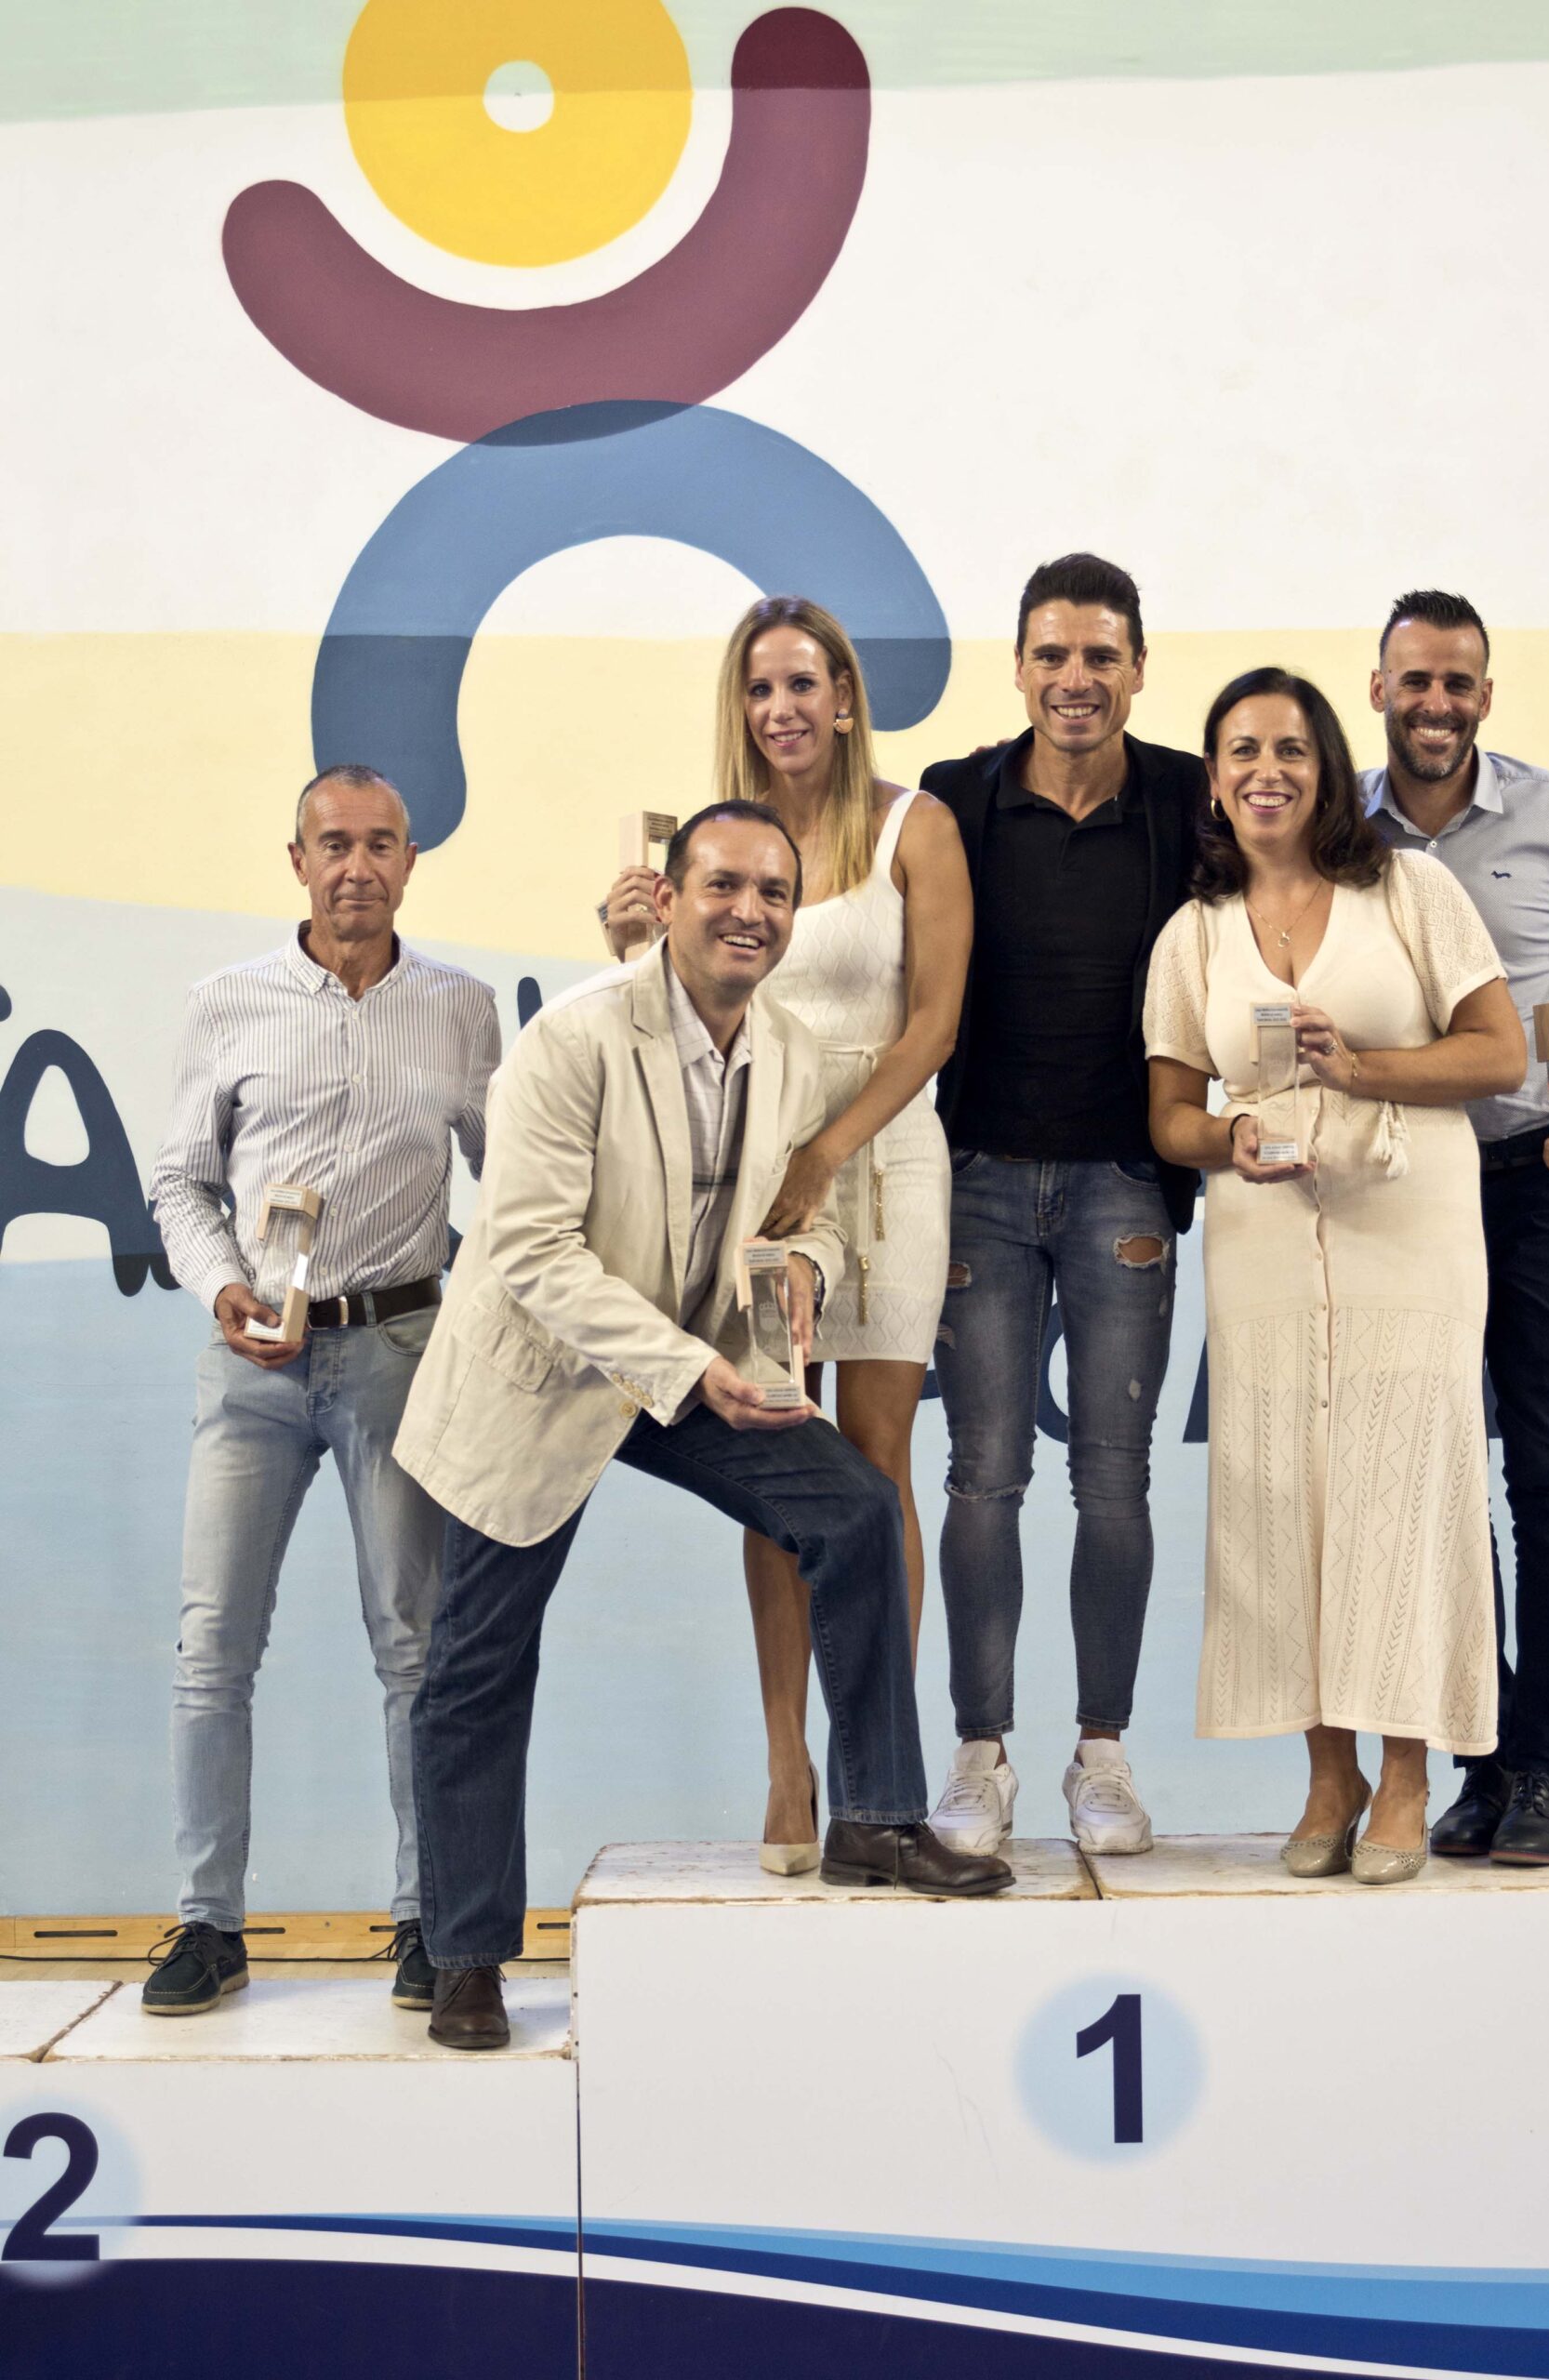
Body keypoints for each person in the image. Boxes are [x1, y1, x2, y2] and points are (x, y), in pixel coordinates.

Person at [399, 804, 1010, 2051]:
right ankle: (463, 1955)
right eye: (724, 885)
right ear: (667, 899)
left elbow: (804, 1215)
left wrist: (802, 1271)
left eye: (775, 893)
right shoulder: (571, 1039)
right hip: (545, 1373)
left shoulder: (786, 1046)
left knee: (851, 1508)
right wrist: (692, 1366)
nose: (751, 911)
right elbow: (529, 1250)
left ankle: (873, 1817)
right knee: (476, 1664)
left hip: (694, 1364)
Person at [602, 598, 971, 1870]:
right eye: (760, 688)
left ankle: (881, 1775)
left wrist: (830, 1153)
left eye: (803, 683)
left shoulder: (917, 826)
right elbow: (675, 1010)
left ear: (846, 696)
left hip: (887, 1160)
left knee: (877, 1460)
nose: (782, 708)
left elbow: (933, 1024)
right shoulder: (716, 843)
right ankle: (787, 1766)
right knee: (780, 1455)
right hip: (759, 1170)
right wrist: (630, 947)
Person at [1145, 668, 1526, 1883]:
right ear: (1214, 780)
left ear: (1325, 769)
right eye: (1242, 751)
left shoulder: (1408, 889)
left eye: (1291, 749)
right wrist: (1231, 1138)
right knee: (1284, 1498)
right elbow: (1169, 1116)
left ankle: (1407, 1771)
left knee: (1398, 1494)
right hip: (1262, 1239)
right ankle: (1330, 1773)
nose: (1267, 771)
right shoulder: (1192, 932)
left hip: (1408, 1226)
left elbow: (1500, 1053)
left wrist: (1359, 1069)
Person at [145, 764, 500, 2014]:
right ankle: (208, 1926)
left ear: (411, 862)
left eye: (380, 844)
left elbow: (510, 1179)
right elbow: (180, 1180)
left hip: (399, 1352)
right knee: (212, 1649)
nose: (357, 866)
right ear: (296, 861)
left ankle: (425, 1919)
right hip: (253, 1365)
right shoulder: (227, 1004)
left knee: (415, 1648)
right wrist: (219, 1287)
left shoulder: (461, 1011)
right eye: (333, 844)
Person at [917, 553, 1204, 1862]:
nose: (1074, 678)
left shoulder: (1188, 799)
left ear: (1137, 668)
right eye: (1051, 654)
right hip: (977, 1180)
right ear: (1019, 668)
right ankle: (978, 1758)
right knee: (981, 1478)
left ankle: (1102, 1757)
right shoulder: (957, 795)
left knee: (1113, 1482)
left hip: (1123, 1184)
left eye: (1098, 655)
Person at [1362, 591, 1549, 1864]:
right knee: (1435, 1483)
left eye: (1457, 683)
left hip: (1542, 1178)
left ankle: (1541, 1770)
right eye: (1415, 681)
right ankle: (1477, 1759)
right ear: (1379, 690)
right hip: (1405, 1186)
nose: (1437, 704)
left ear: (1485, 694)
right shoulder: (1339, 829)